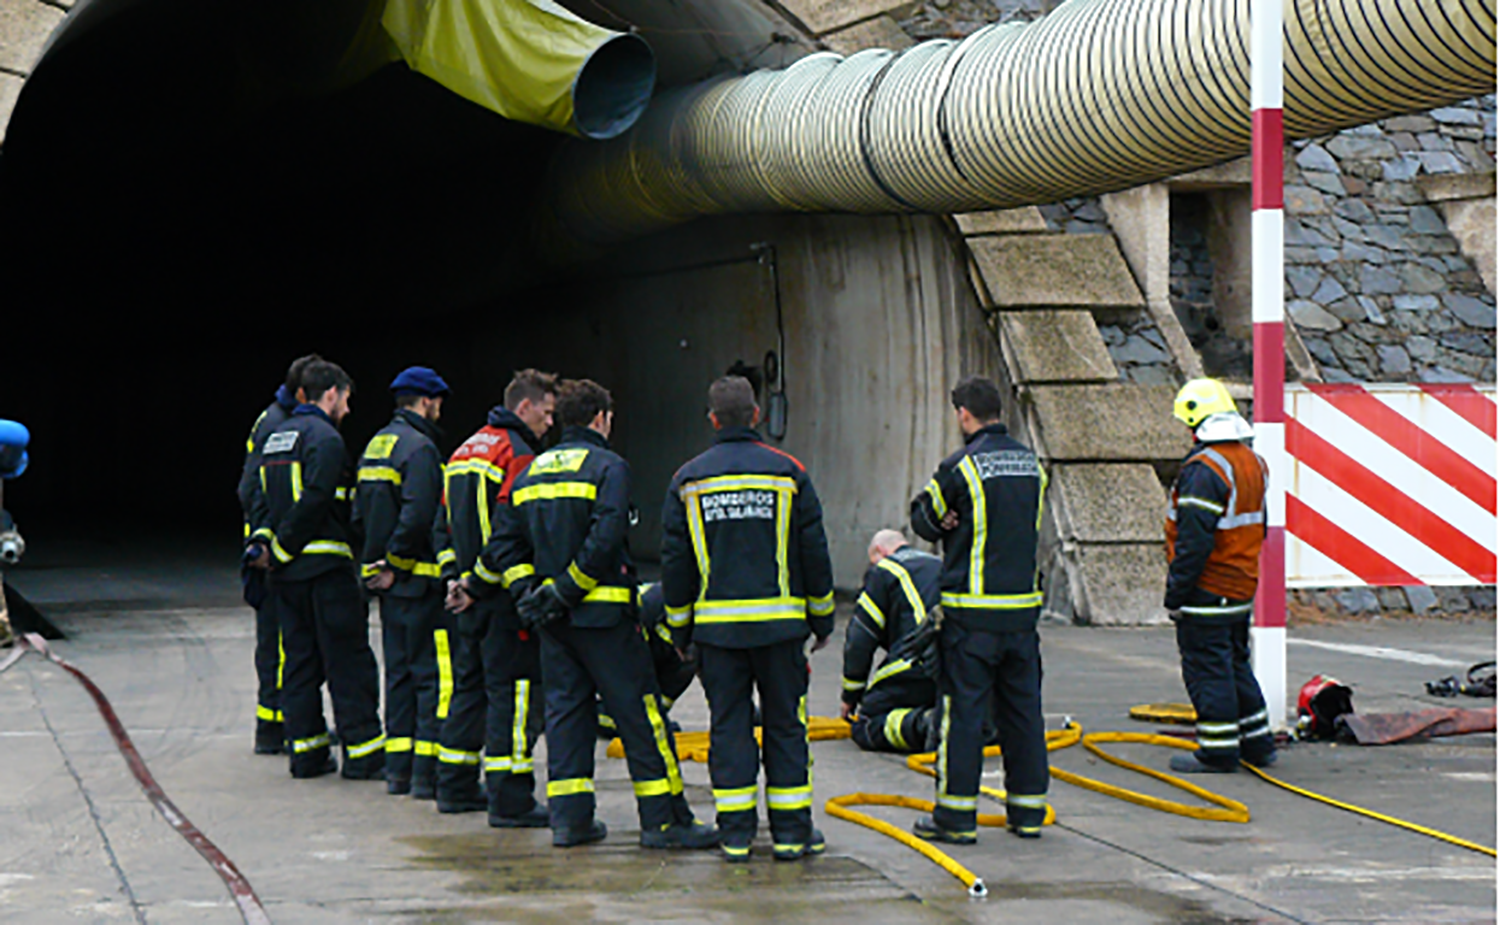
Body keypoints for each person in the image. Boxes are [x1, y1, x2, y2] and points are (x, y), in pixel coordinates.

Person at [465, 379, 716, 850]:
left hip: (553, 627)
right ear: (601, 419)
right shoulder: (609, 467)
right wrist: (564, 591)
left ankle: (571, 821)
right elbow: (605, 541)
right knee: (642, 718)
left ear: (562, 419)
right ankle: (664, 822)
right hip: (604, 622)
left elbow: (503, 544)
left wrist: (529, 593)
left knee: (566, 718)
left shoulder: (530, 471)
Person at [661, 375, 836, 862]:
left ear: (713, 420)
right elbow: (814, 552)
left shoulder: (688, 480)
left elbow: (676, 566)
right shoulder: (789, 473)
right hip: (781, 632)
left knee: (729, 728)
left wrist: (680, 631)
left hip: (717, 637)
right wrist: (821, 621)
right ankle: (791, 835)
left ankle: (735, 837)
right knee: (785, 727)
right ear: (757, 416)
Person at [909, 375, 1049, 844]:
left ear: (964, 415)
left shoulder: (960, 467)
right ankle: (1028, 812)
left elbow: (924, 517)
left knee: (963, 716)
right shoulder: (1033, 464)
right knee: (1023, 713)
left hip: (972, 617)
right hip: (1022, 615)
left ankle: (955, 817)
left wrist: (947, 520)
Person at [247, 359, 385, 780]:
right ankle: (363, 756)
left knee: (300, 665)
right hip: (325, 571)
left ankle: (306, 754)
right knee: (348, 663)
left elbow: (259, 500)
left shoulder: (273, 438)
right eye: (345, 399)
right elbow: (317, 499)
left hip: (285, 579)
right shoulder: (326, 439)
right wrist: (286, 547)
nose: (347, 409)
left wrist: (269, 547)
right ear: (331, 394)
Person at [435, 369, 556, 825]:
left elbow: (440, 524)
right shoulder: (519, 454)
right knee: (516, 697)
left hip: (466, 598)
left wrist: (455, 579)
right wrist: (480, 585)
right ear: (523, 407)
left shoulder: (465, 450)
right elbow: (512, 531)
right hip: (501, 599)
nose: (549, 424)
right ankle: (511, 799)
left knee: (469, 690)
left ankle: (455, 786)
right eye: (546, 413)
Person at [1163, 378, 1276, 773]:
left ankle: (1218, 749)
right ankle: (1258, 742)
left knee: (1207, 667)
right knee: (1235, 662)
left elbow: (1194, 542)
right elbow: (1259, 526)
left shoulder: (1203, 470)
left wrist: (1176, 594)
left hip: (1208, 587)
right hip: (1242, 582)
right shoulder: (1252, 462)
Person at [354, 367, 450, 797]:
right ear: (426, 401)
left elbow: (357, 514)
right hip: (417, 584)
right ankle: (426, 776)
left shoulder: (375, 445)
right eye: (438, 402)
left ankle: (398, 771)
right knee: (430, 679)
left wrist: (377, 562)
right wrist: (396, 560)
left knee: (398, 677)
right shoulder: (422, 448)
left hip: (386, 587)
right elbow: (418, 515)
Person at [237, 353, 320, 755]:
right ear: (303, 393)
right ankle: (275, 727)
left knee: (278, 640)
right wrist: (267, 539)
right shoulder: (278, 425)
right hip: (269, 551)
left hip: (267, 545)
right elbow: (253, 489)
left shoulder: (274, 419)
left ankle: (277, 723)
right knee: (279, 641)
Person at [842, 529, 943, 754]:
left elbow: (860, 637)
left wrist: (852, 694)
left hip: (917, 659)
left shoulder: (884, 569)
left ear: (880, 551)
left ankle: (923, 725)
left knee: (867, 724)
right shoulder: (939, 564)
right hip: (956, 664)